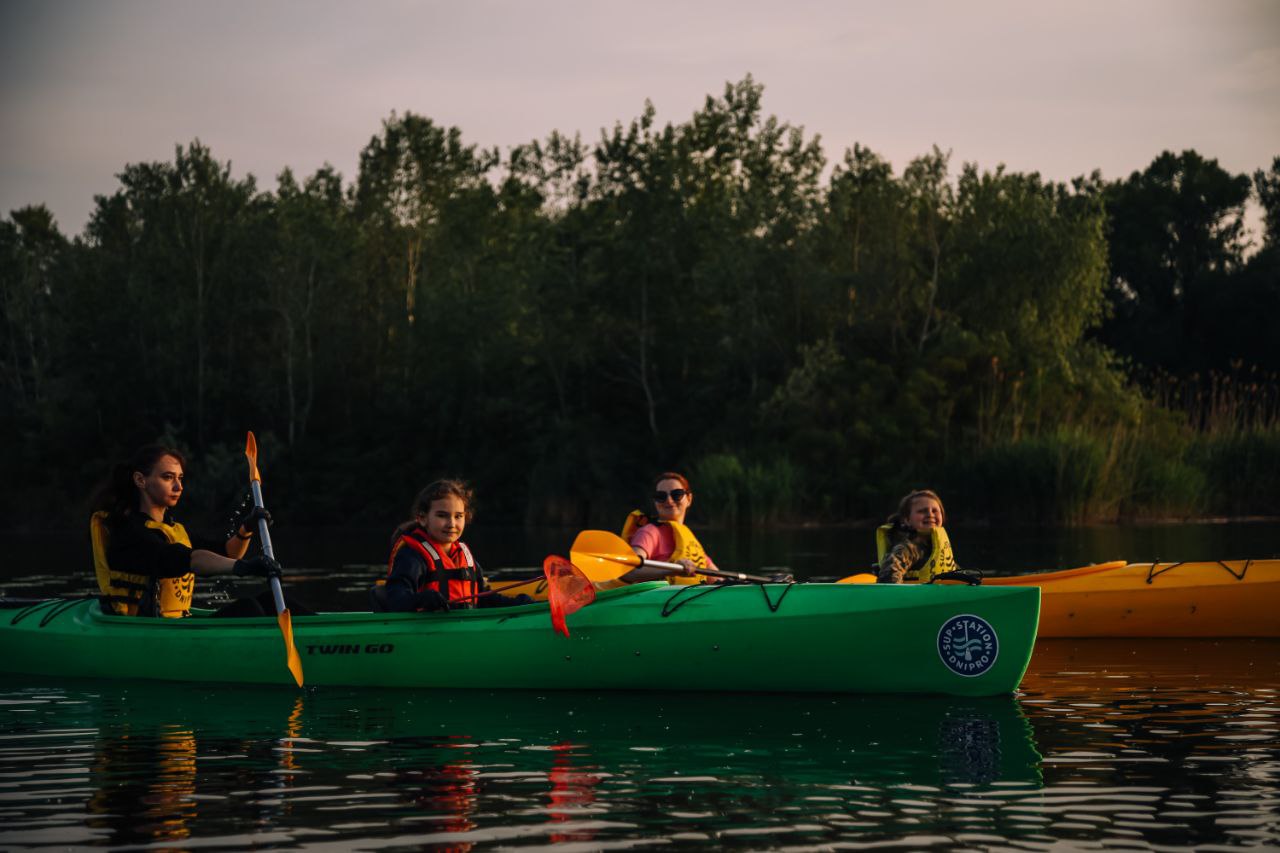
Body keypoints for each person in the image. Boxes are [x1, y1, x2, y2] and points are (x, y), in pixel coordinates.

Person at [89, 444, 300, 618]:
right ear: (140, 480)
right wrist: (244, 568)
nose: (178, 487)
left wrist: (247, 529)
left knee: (272, 600)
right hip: (147, 628)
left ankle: (324, 637)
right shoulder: (129, 533)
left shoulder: (173, 530)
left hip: (178, 622)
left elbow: (227, 552)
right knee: (248, 609)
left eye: (180, 478)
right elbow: (187, 559)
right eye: (168, 477)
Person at [377, 479, 531, 612]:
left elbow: (483, 598)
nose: (451, 524)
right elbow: (397, 599)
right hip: (425, 630)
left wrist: (520, 604)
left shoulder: (465, 555)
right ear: (422, 518)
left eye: (458, 516)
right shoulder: (412, 555)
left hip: (464, 627)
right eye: (442, 515)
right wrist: (422, 599)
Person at [618, 472, 718, 585]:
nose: (669, 500)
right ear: (655, 502)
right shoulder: (649, 532)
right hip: (659, 599)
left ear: (689, 499)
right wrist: (671, 570)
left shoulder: (690, 540)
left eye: (677, 494)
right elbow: (628, 571)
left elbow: (717, 578)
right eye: (661, 496)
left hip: (690, 596)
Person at [875, 489, 959, 584]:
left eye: (935, 511)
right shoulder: (907, 549)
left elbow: (954, 570)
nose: (930, 514)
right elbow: (889, 576)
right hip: (912, 596)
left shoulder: (941, 548)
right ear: (907, 520)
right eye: (922, 511)